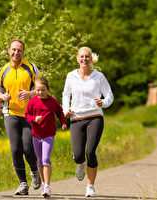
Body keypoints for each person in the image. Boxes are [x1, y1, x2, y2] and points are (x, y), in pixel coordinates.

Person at [62, 47, 114, 197]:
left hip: (95, 117)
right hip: (77, 118)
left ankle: (90, 186)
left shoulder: (99, 76)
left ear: (91, 59)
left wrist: (102, 103)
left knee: (91, 151)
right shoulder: (71, 76)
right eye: (81, 56)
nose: (84, 59)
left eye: (87, 56)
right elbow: (66, 94)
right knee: (79, 154)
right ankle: (80, 163)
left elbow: (109, 96)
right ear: (77, 59)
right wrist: (66, 109)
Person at [0, 39, 42, 195]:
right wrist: (3, 97)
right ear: (9, 50)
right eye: (13, 49)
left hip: (30, 114)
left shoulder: (31, 68)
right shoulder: (2, 70)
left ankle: (34, 171)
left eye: (19, 50)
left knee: (28, 148)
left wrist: (29, 94)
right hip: (11, 113)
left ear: (23, 52)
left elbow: (42, 88)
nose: (16, 53)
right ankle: (23, 184)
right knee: (15, 149)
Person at [25, 77, 67, 198]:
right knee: (39, 161)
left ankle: (47, 185)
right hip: (36, 135)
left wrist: (63, 122)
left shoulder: (53, 101)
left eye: (42, 90)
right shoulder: (32, 101)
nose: (40, 92)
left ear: (48, 89)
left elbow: (59, 112)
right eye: (37, 90)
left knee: (46, 159)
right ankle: (43, 183)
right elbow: (27, 115)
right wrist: (34, 119)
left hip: (49, 135)